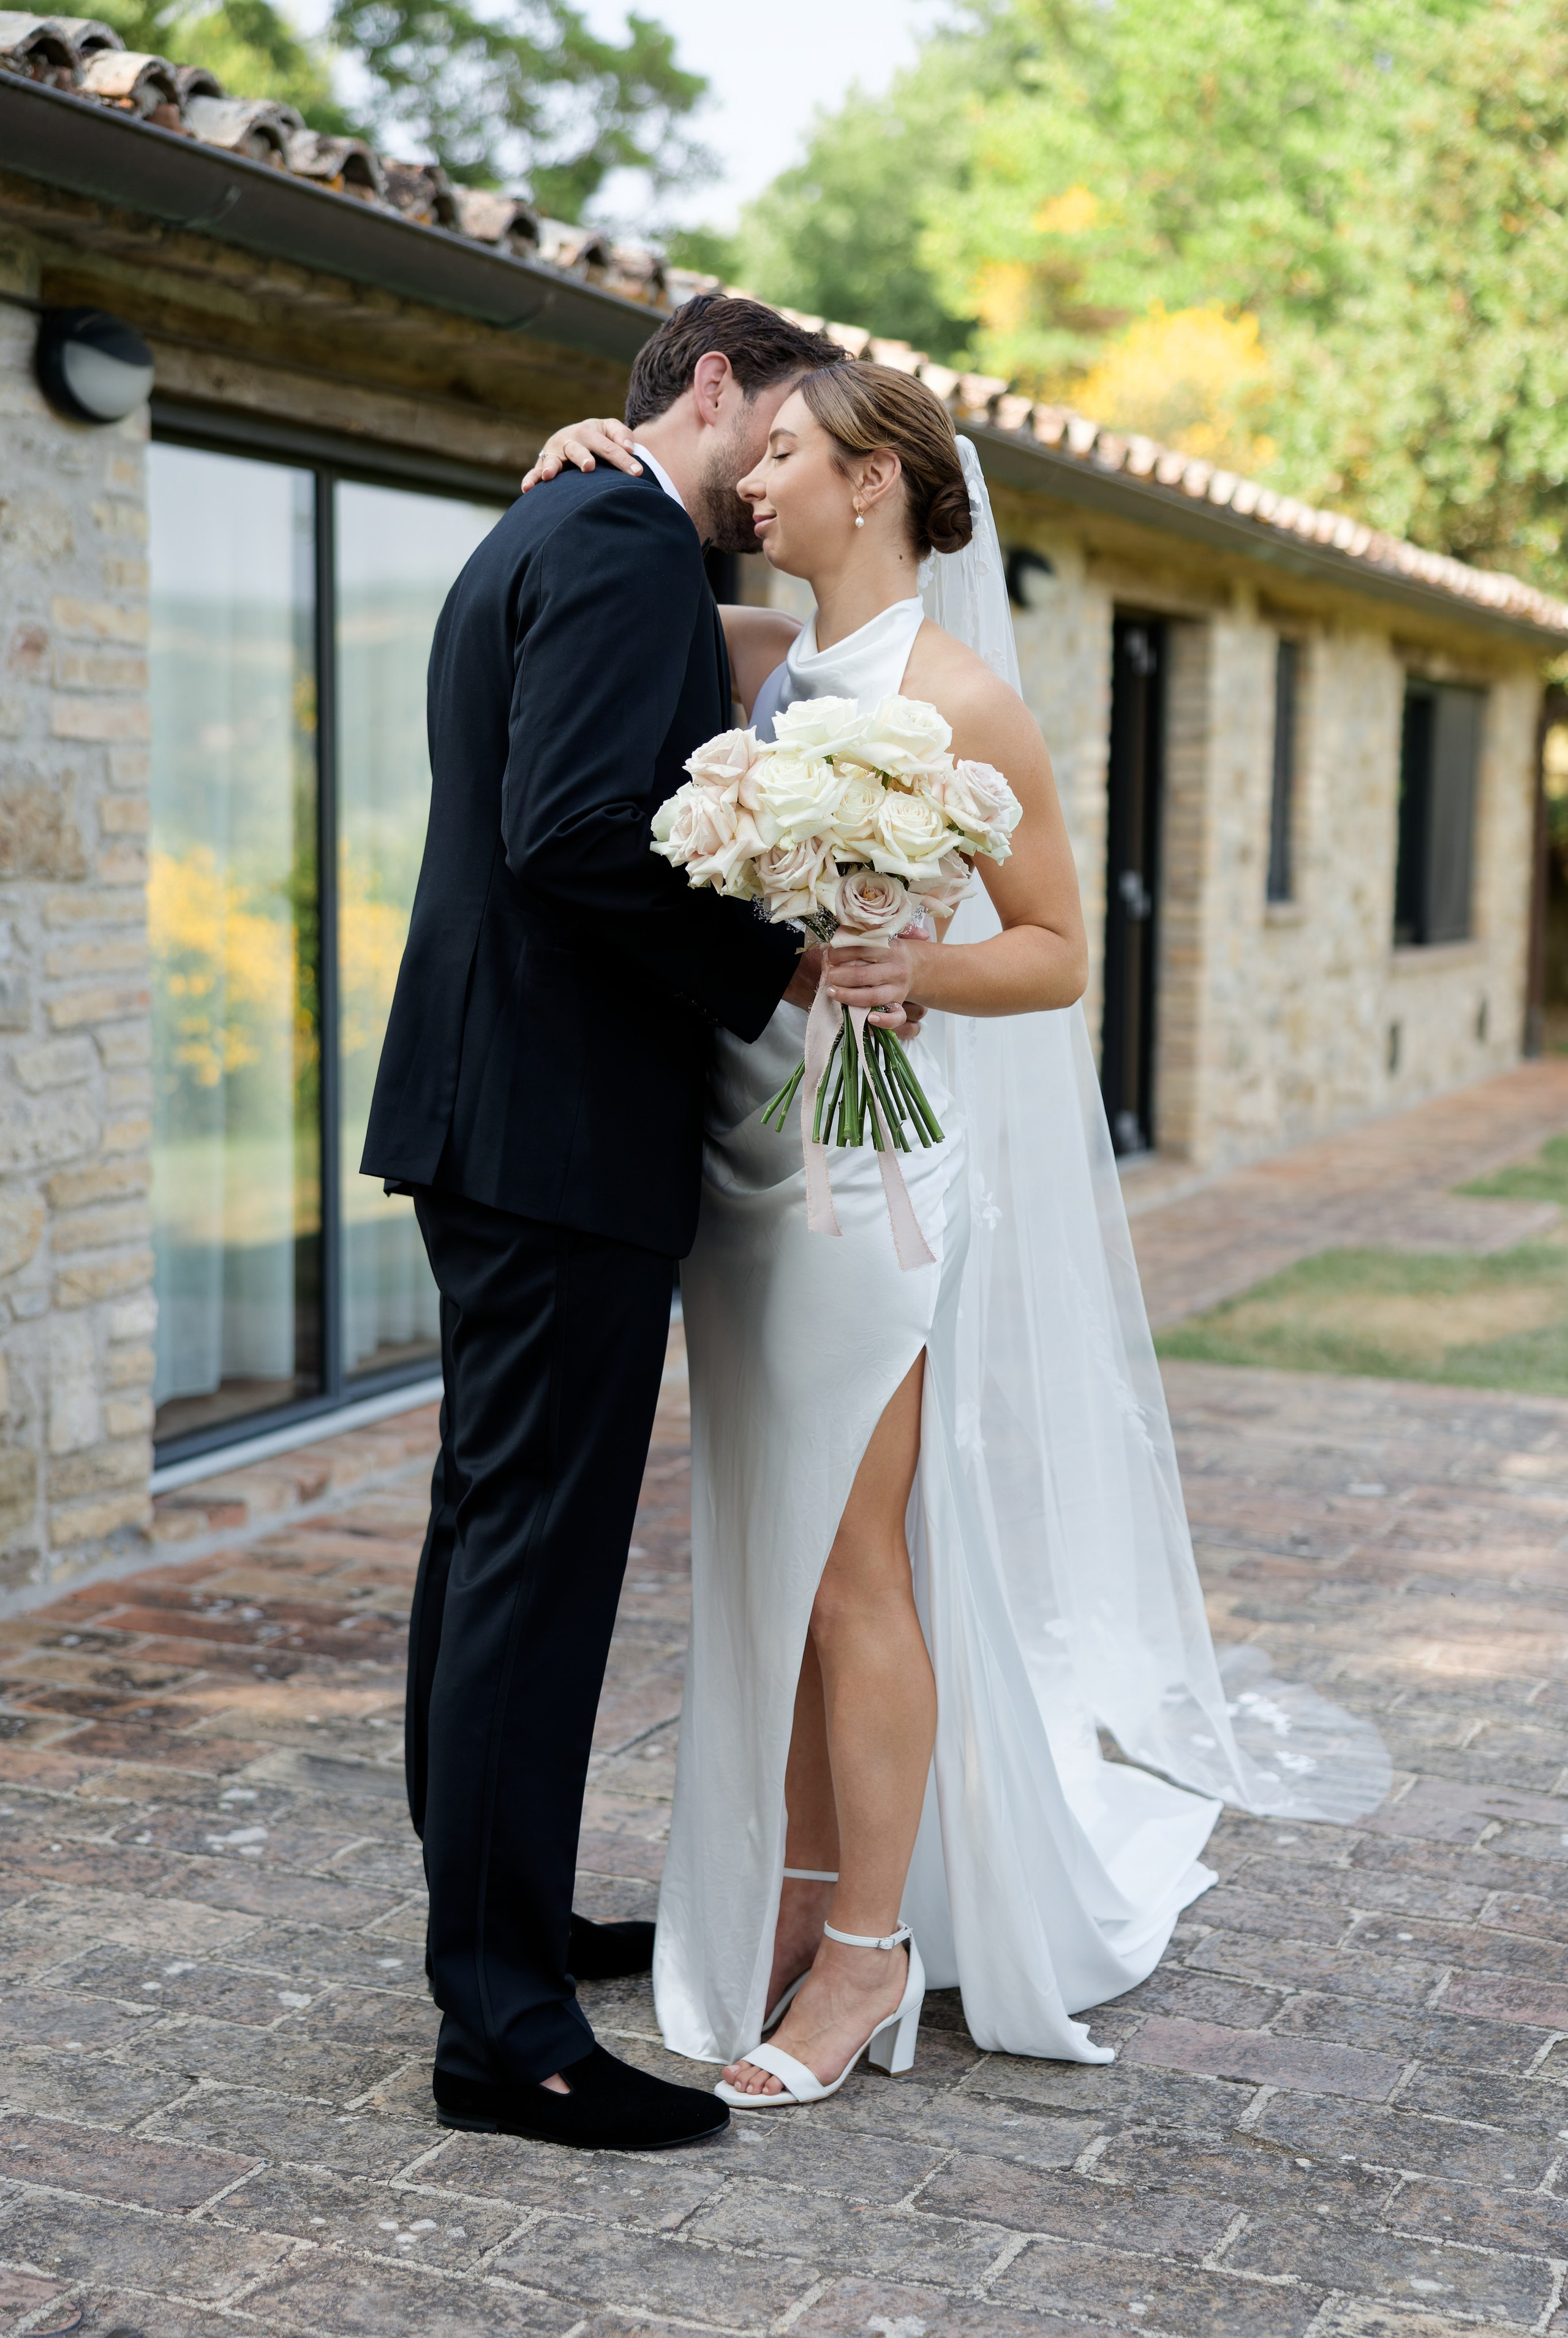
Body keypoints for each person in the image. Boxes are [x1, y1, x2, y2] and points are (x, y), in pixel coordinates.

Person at [519, 361, 1392, 2109]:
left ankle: (867, 1955)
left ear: (877, 485)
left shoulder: (965, 700)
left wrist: (915, 968)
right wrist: (567, 464)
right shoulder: (767, 671)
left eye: (782, 458)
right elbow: (616, 635)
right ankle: (789, 1903)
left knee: (855, 1567)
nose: (751, 484)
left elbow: (1060, 946)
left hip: (876, 1185)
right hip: (752, 1164)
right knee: (774, 1555)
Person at [359, 293, 897, 2152]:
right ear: (720, 383)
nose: (769, 473)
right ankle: (503, 2034)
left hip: (506, 1114)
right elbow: (579, 831)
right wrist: (778, 956)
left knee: (489, 1535)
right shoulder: (605, 533)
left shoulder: (566, 521)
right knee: (538, 1560)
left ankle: (489, 1924)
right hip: (556, 1125)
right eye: (768, 432)